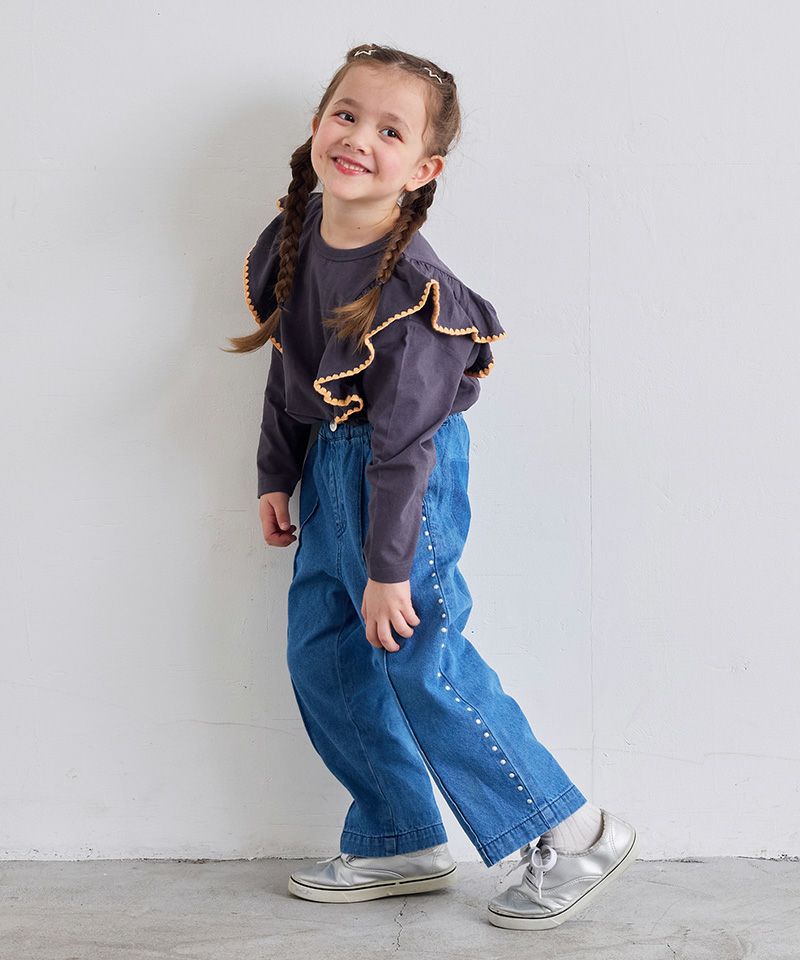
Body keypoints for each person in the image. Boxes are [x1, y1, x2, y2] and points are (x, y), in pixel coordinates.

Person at [225, 42, 638, 929]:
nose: (359, 139)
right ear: (317, 124)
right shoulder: (295, 238)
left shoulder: (417, 295)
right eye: (347, 115)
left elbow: (407, 448)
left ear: (423, 169)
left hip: (403, 484)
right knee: (323, 655)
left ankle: (574, 830)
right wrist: (277, 471)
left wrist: (389, 568)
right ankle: (397, 836)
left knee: (424, 659)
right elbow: (291, 366)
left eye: (390, 130)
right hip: (333, 466)